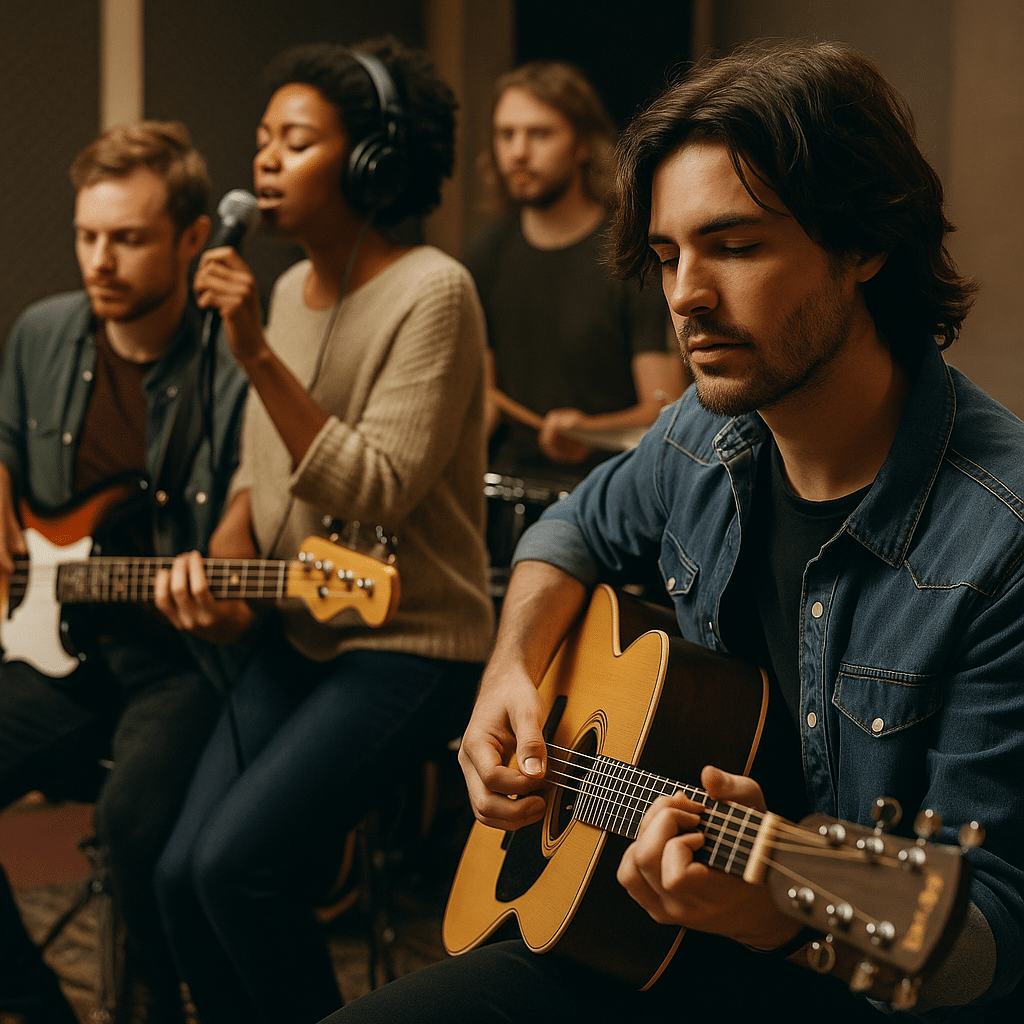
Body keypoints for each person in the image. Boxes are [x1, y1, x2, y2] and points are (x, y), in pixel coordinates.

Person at [322, 39, 1024, 1024]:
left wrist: (776, 912)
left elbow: (989, 937)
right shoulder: (704, 434)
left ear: (864, 243)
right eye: (665, 254)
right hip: (653, 933)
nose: (684, 294)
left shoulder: (1000, 540)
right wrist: (511, 675)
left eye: (733, 246)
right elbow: (567, 528)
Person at [151, 37, 494, 1024]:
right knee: (181, 875)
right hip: (301, 630)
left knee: (237, 865)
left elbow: (377, 486)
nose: (262, 160)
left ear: (371, 161)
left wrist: (253, 350)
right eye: (261, 139)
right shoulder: (280, 296)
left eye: (295, 140)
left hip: (410, 645)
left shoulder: (433, 291)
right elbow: (256, 473)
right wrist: (224, 557)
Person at [0, 122, 248, 1023]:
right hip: (51, 644)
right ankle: (37, 1006)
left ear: (192, 239)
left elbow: (249, 524)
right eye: (86, 236)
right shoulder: (43, 334)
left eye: (128, 238)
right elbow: (3, 444)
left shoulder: (231, 364)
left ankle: (150, 1001)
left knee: (136, 831)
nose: (99, 261)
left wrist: (220, 597)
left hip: (177, 661)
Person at [465, 60, 685, 490]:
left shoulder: (629, 254)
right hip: (505, 487)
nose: (518, 152)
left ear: (582, 144)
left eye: (539, 133)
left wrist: (591, 428)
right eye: (506, 134)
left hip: (609, 490)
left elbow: (665, 406)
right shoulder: (485, 254)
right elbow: (484, 404)